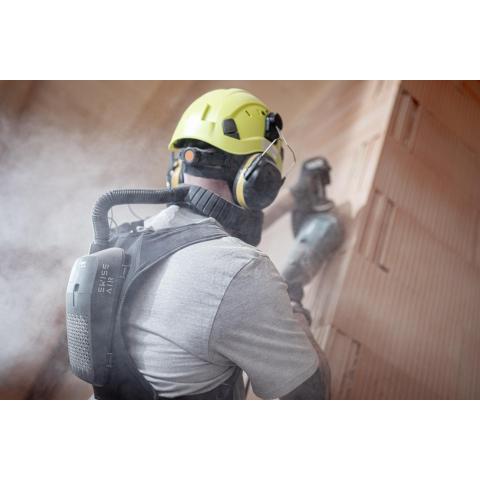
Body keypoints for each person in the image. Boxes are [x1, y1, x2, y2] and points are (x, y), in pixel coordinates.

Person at [122, 88, 331, 399]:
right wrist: (293, 309)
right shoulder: (241, 274)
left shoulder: (139, 236)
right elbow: (312, 395)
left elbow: (216, 229)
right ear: (258, 179)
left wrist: (295, 198)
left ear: (178, 170)